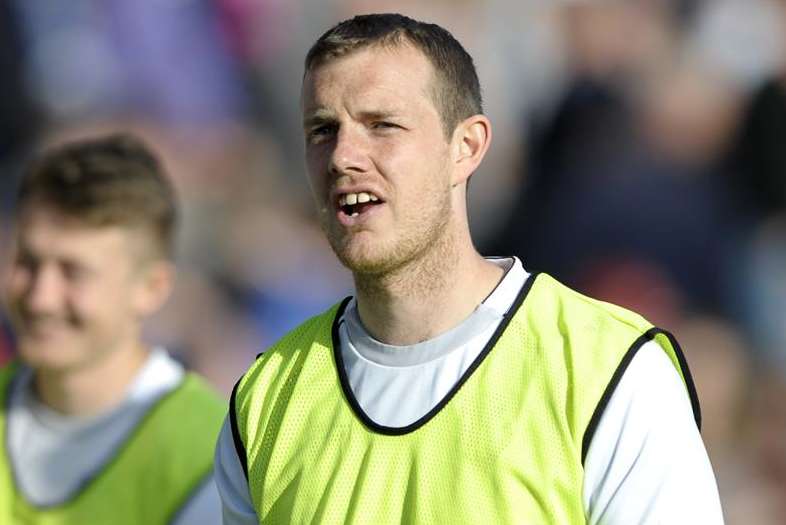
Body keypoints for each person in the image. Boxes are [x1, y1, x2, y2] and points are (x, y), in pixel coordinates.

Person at [215, 13, 724, 524]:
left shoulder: (610, 370)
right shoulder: (265, 399)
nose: (344, 155)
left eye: (382, 125)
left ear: (467, 147)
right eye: (322, 130)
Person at [0, 134, 226, 524]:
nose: (41, 298)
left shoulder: (209, 453)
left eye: (74, 273)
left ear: (151, 288)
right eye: (28, 262)